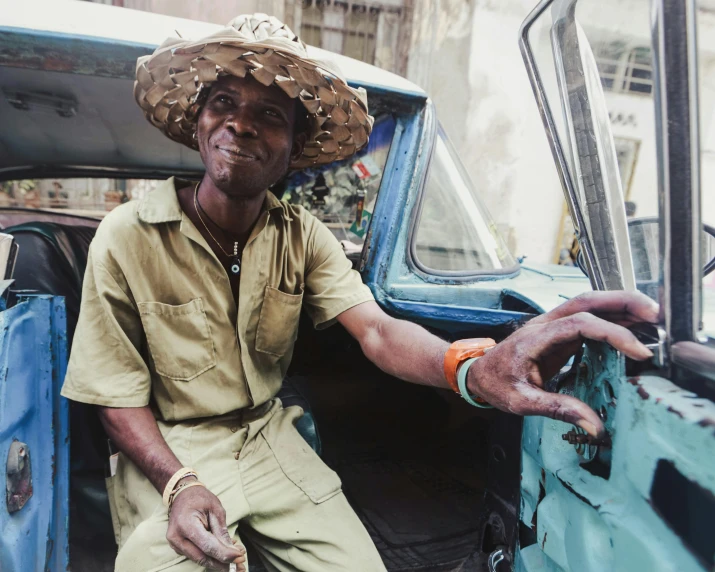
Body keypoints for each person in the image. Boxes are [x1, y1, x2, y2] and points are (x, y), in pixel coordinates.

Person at [60, 14, 658, 572]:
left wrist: (470, 369)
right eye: (224, 103)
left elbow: (375, 330)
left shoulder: (304, 238)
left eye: (269, 114)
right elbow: (114, 399)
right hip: (171, 452)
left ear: (293, 149)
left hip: (270, 437)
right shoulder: (127, 237)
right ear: (200, 123)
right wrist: (179, 483)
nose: (241, 122)